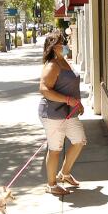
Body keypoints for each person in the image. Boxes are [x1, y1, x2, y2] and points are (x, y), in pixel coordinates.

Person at [38, 30, 85, 197]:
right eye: (62, 42)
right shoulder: (52, 65)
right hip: (53, 114)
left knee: (79, 141)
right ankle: (52, 184)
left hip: (69, 113)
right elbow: (44, 90)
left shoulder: (64, 61)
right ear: (54, 47)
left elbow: (71, 85)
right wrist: (68, 100)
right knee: (55, 149)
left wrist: (77, 103)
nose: (65, 45)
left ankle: (64, 174)